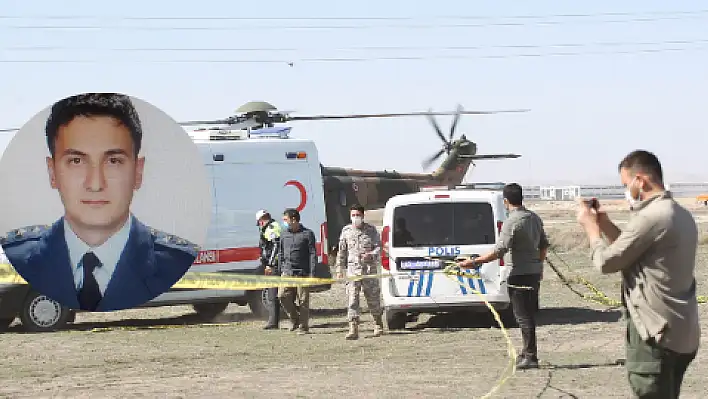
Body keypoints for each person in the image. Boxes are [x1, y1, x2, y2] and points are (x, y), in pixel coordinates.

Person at [0, 93, 199, 312]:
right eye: (76, 161)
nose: (95, 184)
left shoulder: (177, 261)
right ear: (53, 172)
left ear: (137, 172)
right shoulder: (18, 260)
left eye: (113, 161)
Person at [576, 150, 700, 398]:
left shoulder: (651, 216)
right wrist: (605, 224)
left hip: (656, 334)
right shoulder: (678, 213)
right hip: (681, 332)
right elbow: (633, 250)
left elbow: (606, 262)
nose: (627, 190)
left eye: (626, 184)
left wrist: (591, 231)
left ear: (640, 181)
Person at [456, 183, 549, 370]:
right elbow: (544, 245)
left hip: (518, 274)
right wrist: (538, 265)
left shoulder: (512, 221)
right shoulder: (534, 218)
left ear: (506, 201)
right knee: (528, 315)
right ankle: (527, 352)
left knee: (523, 317)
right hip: (532, 273)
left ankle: (531, 356)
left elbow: (500, 250)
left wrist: (473, 263)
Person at [335, 204, 384, 340]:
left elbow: (379, 247)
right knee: (352, 300)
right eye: (353, 215)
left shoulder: (371, 230)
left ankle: (378, 324)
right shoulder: (346, 231)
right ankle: (353, 328)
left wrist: (371, 255)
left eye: (358, 215)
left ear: (363, 216)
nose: (355, 218)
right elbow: (342, 252)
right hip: (352, 272)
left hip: (369, 271)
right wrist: (339, 269)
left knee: (373, 298)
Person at [277, 208, 317, 335]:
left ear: (293, 219)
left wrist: (312, 273)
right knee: (282, 296)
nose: (284, 222)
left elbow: (312, 254)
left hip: (302, 273)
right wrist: (281, 269)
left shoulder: (307, 234)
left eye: (285, 219)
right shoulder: (283, 234)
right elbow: (281, 252)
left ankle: (303, 326)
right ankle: (294, 320)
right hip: (287, 272)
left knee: (303, 300)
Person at [256, 209, 282, 330]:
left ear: (262, 220)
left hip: (274, 266)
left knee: (272, 295)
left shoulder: (271, 227)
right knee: (274, 294)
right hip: (273, 264)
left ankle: (273, 322)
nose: (259, 225)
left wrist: (270, 264)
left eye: (259, 222)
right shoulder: (270, 227)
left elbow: (276, 245)